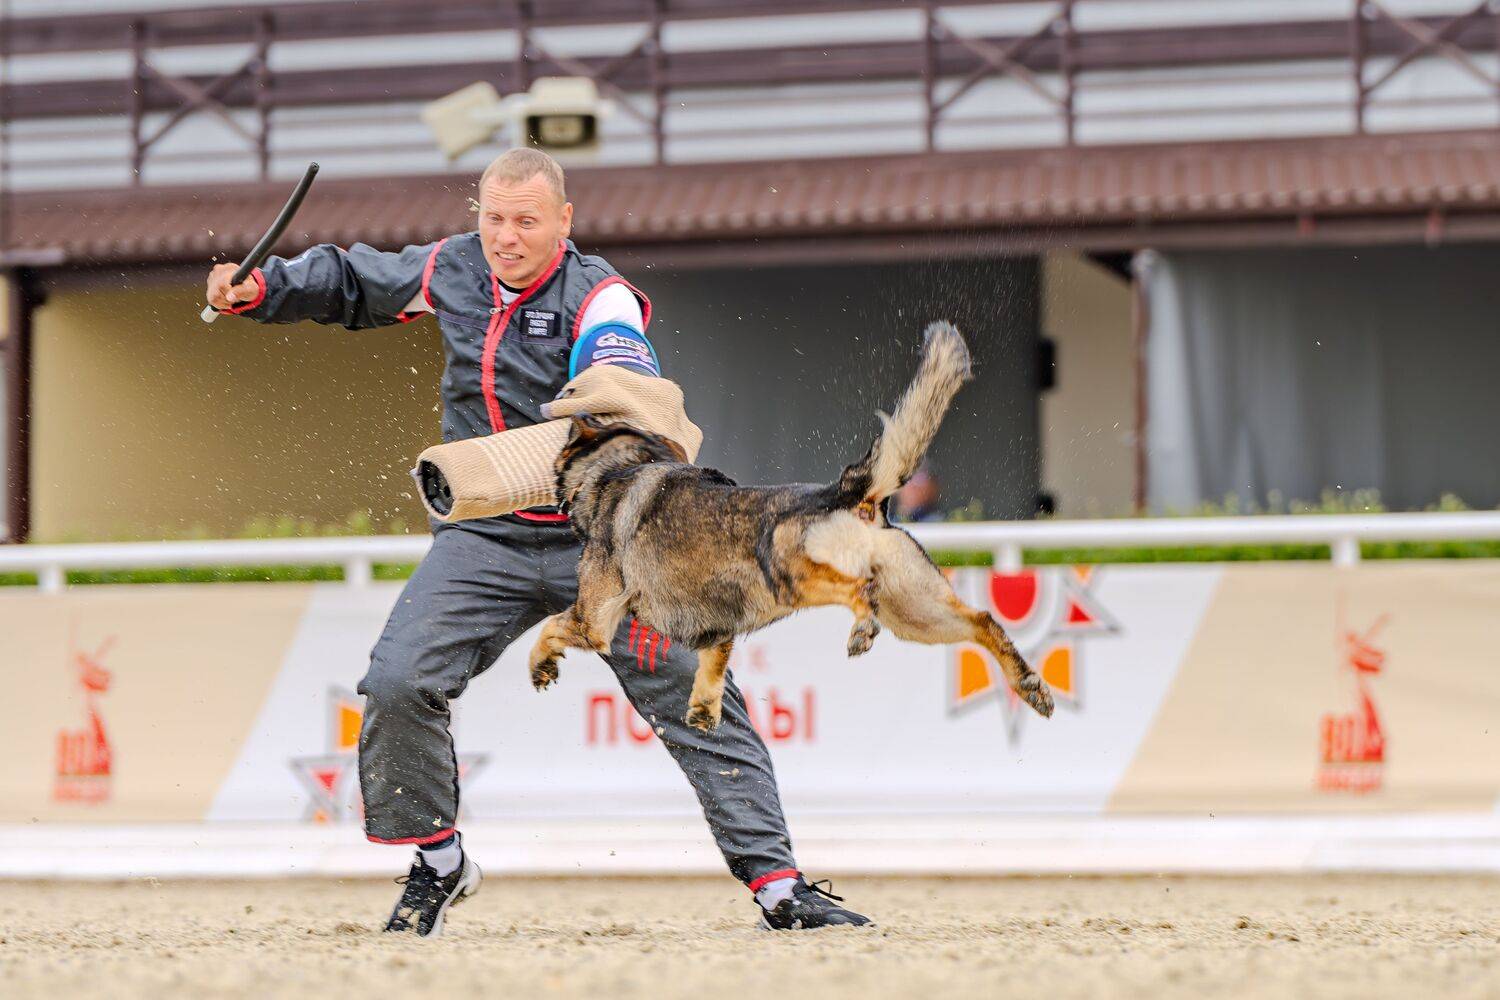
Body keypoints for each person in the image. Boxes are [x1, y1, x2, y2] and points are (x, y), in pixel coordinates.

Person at [205, 148, 869, 936]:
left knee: (700, 700)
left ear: (564, 221)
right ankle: (439, 866)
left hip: (610, 547)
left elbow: (622, 370)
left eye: (526, 220)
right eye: (493, 218)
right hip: (483, 538)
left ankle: (780, 888)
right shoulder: (450, 270)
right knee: (395, 683)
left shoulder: (603, 300)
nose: (506, 237)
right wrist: (263, 288)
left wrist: (613, 401)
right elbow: (353, 282)